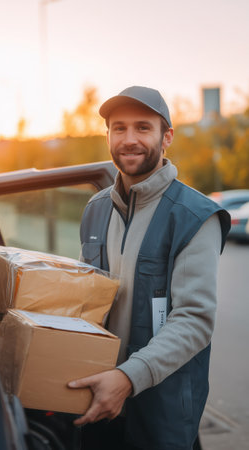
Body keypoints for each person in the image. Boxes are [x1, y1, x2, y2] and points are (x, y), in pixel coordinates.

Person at [68, 86, 231, 450]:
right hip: (97, 400)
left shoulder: (193, 216)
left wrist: (126, 378)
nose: (129, 139)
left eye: (143, 128)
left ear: (166, 136)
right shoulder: (96, 209)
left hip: (161, 410)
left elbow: (194, 320)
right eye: (119, 128)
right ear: (107, 135)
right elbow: (84, 298)